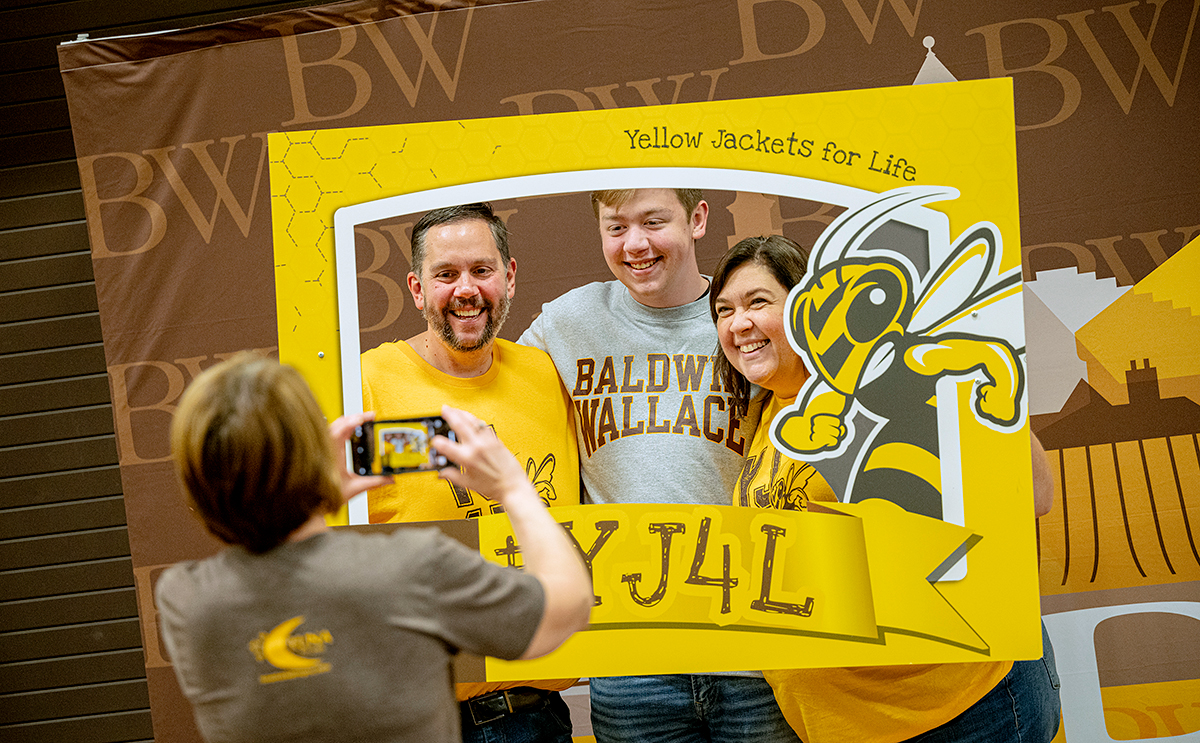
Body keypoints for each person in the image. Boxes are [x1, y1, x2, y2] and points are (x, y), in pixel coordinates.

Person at [710, 234, 1061, 743]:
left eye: (757, 302)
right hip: (850, 725)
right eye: (723, 310)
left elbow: (1035, 493)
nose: (737, 323)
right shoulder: (768, 414)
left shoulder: (888, 382)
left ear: (806, 307)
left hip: (958, 709)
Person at [155, 353, 592, 743]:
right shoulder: (409, 566)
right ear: (310, 451)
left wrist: (308, 495)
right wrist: (514, 489)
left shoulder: (185, 601)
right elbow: (568, 606)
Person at [520, 189, 799, 743]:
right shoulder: (568, 320)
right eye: (616, 227)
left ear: (696, 220)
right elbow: (492, 389)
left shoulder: (748, 321)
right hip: (632, 662)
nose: (636, 244)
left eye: (654, 222)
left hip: (757, 649)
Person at [359, 203, 581, 741]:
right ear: (416, 288)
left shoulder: (545, 374)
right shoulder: (366, 383)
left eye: (482, 271)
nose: (466, 290)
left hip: (535, 714)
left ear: (509, 277)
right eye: (446, 274)